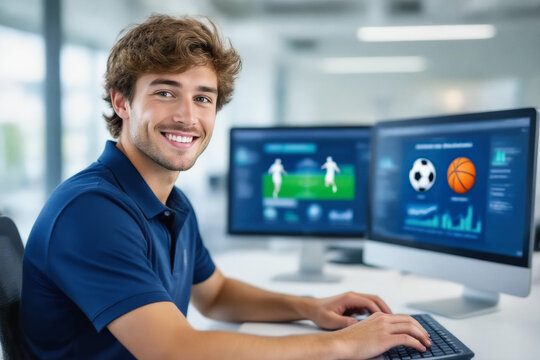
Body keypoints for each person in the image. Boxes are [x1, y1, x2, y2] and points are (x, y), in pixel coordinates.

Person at [20, 14, 430, 360]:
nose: (187, 115)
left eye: (203, 98)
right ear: (122, 102)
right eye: (165, 92)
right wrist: (340, 344)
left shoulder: (170, 202)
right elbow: (175, 350)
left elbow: (215, 296)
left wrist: (310, 308)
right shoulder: (93, 210)